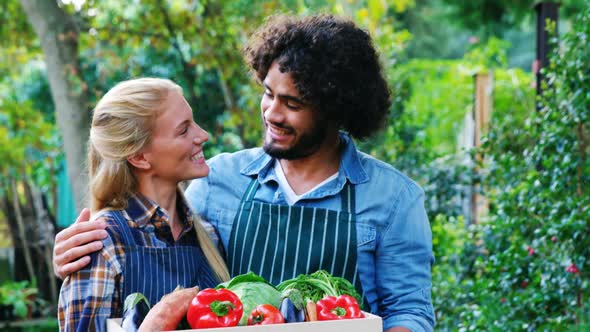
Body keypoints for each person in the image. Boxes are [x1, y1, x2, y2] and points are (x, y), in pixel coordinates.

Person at [53, 15, 435, 332]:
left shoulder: (393, 198)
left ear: (335, 108)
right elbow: (154, 239)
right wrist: (81, 258)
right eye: (268, 93)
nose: (271, 112)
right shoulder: (218, 180)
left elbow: (409, 311)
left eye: (292, 103)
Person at [57, 78, 230, 332]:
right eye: (184, 130)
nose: (203, 135)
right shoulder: (103, 245)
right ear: (139, 157)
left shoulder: (208, 237)